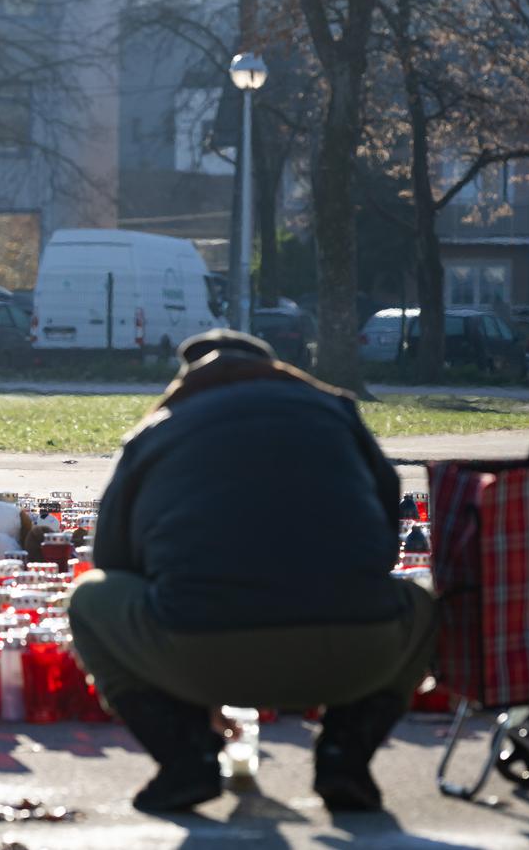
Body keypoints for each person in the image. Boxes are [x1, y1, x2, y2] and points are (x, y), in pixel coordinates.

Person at [67, 329, 437, 813]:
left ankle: (186, 756)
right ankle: (345, 755)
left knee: (89, 599)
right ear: (277, 369)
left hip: (199, 652)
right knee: (425, 604)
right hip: (356, 651)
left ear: (187, 380)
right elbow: (388, 532)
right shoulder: (337, 413)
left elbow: (113, 561)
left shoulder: (157, 429)